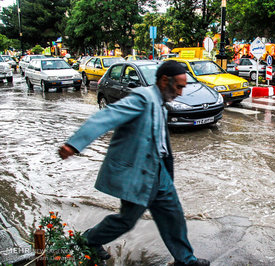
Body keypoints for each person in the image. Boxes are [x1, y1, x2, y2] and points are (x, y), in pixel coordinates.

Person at [58, 60, 210, 266]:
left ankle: (185, 260)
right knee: (127, 220)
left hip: (158, 172)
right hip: (139, 173)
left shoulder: (162, 105)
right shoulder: (142, 98)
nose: (181, 93)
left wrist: (166, 170)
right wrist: (74, 144)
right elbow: (106, 116)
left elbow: (160, 142)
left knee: (173, 215)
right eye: (179, 87)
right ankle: (88, 240)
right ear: (165, 80)